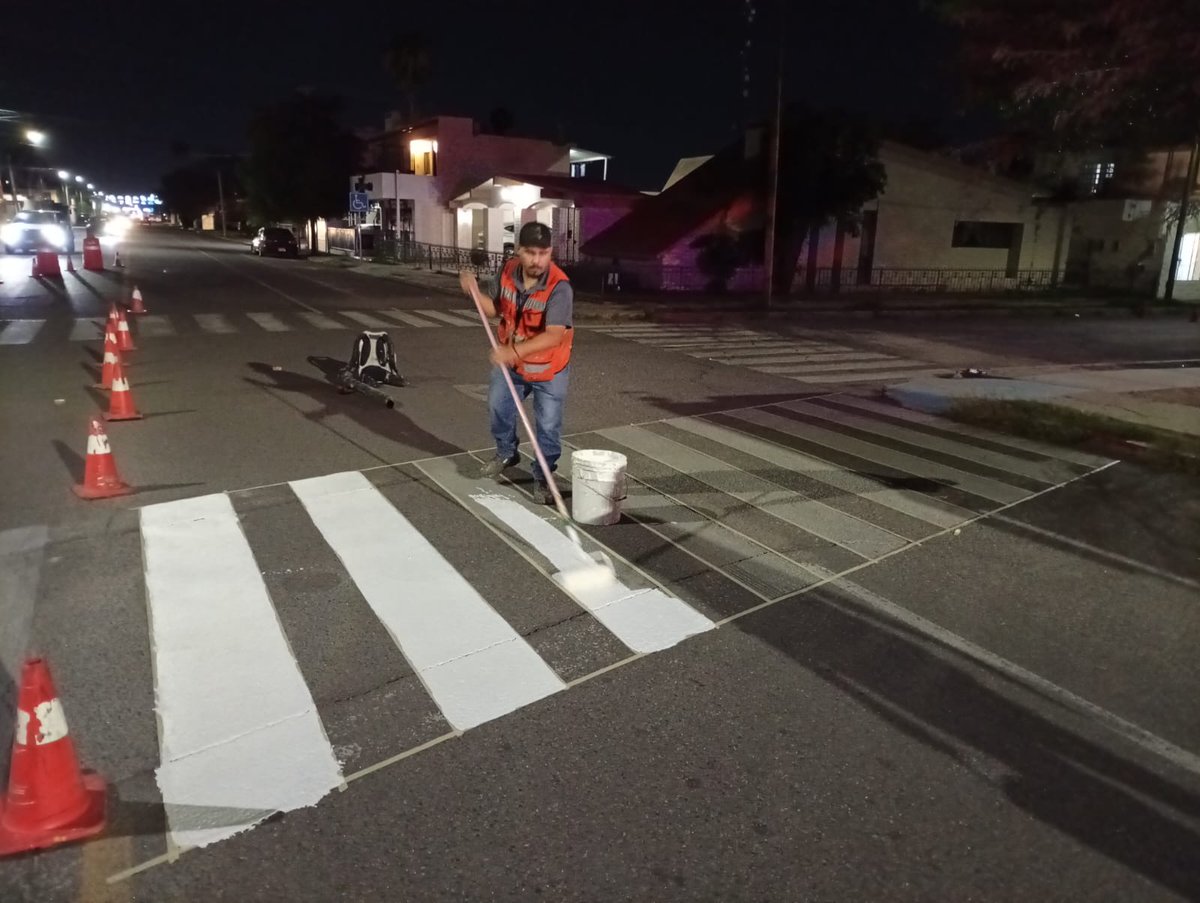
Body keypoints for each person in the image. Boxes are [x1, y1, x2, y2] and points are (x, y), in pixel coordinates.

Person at [459, 221, 574, 504]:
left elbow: (553, 336)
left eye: (544, 253)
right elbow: (496, 309)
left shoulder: (560, 287)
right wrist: (474, 292)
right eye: (531, 252)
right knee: (498, 407)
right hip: (513, 366)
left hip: (549, 368)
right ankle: (507, 452)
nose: (537, 260)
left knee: (547, 427)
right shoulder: (508, 270)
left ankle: (544, 477)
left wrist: (511, 352)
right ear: (519, 251)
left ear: (550, 252)